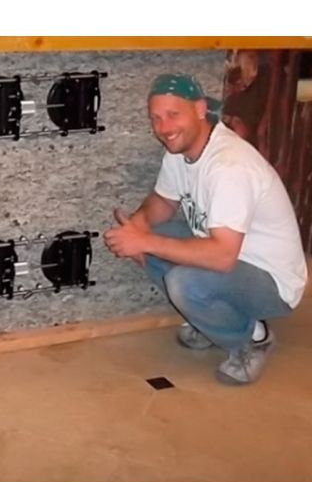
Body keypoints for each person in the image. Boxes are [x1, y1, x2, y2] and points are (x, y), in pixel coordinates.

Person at [104, 74, 308, 385]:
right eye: (156, 118)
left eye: (173, 114)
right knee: (153, 247)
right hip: (233, 258)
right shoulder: (180, 152)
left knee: (184, 283)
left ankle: (253, 338)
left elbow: (222, 257)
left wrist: (145, 241)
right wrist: (138, 225)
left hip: (272, 281)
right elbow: (163, 201)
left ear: (200, 109)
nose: (164, 128)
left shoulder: (229, 167)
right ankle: (213, 321)